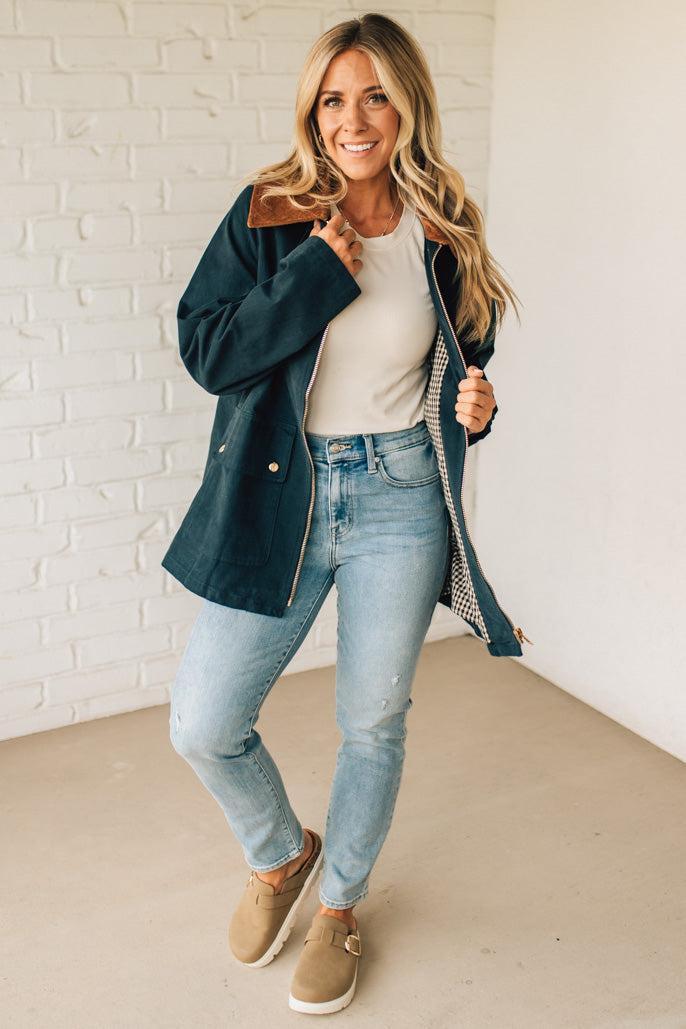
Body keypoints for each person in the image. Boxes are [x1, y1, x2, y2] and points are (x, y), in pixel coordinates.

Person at [163, 13, 529, 1016]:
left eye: (373, 95)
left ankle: (337, 907)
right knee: (203, 724)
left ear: (404, 103)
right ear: (311, 108)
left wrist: (477, 407)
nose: (351, 118)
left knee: (371, 724)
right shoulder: (271, 212)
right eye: (333, 97)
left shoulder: (442, 224)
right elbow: (211, 354)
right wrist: (315, 275)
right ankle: (280, 856)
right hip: (281, 495)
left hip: (401, 497)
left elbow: (465, 361)